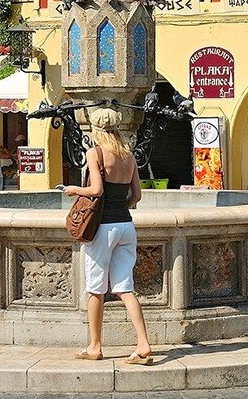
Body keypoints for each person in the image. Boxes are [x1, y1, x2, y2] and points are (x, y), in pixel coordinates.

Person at [64, 108, 152, 365]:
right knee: (125, 287)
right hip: (126, 225)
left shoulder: (96, 153)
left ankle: (95, 346)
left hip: (102, 228)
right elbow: (137, 196)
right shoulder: (128, 156)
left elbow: (96, 189)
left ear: (95, 129)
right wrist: (120, 205)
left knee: (95, 289)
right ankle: (143, 344)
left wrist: (73, 190)